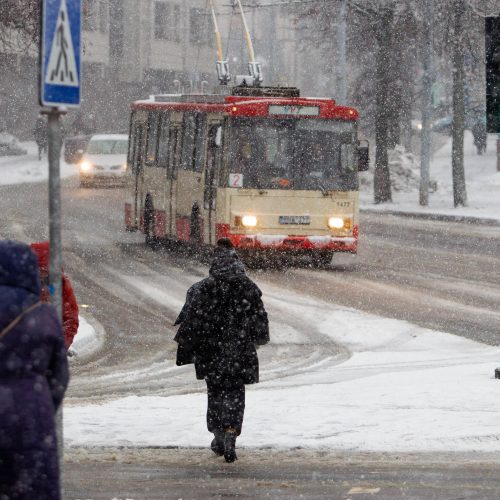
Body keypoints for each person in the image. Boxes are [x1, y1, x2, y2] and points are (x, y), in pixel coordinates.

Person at [174, 238, 269, 462]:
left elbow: (188, 323)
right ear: (238, 264)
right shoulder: (249, 288)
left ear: (214, 264)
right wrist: (254, 339)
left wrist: (190, 346)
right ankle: (231, 431)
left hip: (210, 352)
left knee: (215, 392)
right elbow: (260, 322)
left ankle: (217, 434)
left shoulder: (200, 289)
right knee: (236, 392)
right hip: (240, 350)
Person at [0, 240, 69, 500]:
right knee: (32, 486)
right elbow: (59, 375)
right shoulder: (43, 314)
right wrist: (40, 404)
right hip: (30, 417)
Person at [30, 241, 79, 349]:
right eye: (37, 278)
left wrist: (61, 347)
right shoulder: (18, 284)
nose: (43, 285)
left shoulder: (61, 285)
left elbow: (70, 319)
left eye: (47, 278)